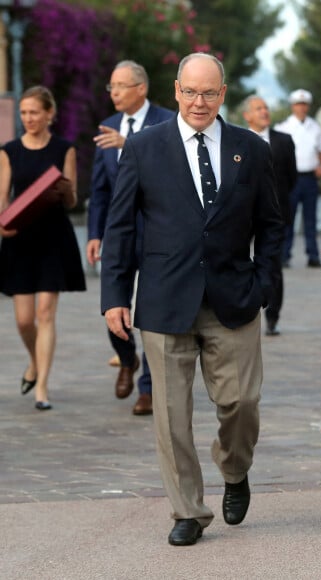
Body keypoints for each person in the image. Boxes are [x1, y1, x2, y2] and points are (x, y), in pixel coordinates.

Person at [100, 53, 284, 546]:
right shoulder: (143, 148)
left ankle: (234, 467)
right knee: (171, 415)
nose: (198, 102)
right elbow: (118, 228)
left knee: (241, 403)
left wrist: (265, 283)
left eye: (209, 93)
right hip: (164, 300)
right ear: (175, 90)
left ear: (223, 94)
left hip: (235, 299)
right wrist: (115, 294)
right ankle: (187, 511)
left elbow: (271, 227)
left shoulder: (251, 149)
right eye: (190, 92)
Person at [86, 60, 174, 416]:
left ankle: (148, 389)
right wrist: (94, 233)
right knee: (113, 304)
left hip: (157, 233)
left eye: (121, 85)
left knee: (150, 312)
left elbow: (174, 173)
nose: (114, 92)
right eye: (111, 86)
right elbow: (100, 188)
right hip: (118, 234)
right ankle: (126, 357)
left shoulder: (167, 121)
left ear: (141, 88)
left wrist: (131, 145)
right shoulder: (106, 127)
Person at [0, 86, 86, 411]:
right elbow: (3, 198)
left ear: (50, 113)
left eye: (34, 112)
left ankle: (43, 388)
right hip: (20, 239)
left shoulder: (65, 149)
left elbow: (73, 199)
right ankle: (34, 363)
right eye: (24, 113)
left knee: (45, 313)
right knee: (24, 320)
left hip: (53, 237)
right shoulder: (8, 151)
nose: (28, 118)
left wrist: (64, 191)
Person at [242, 94, 297, 336]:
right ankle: (241, 308)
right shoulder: (236, 140)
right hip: (241, 215)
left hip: (274, 215)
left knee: (273, 265)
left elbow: (291, 178)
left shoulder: (284, 141)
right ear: (247, 116)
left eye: (266, 107)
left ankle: (272, 316)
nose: (264, 111)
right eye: (258, 108)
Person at [275, 88, 321, 268]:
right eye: (298, 104)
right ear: (292, 106)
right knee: (288, 218)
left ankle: (312, 255)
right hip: (291, 178)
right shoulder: (283, 127)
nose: (301, 108)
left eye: (304, 104)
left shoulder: (315, 127)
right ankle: (284, 254)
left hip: (309, 178)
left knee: (310, 219)